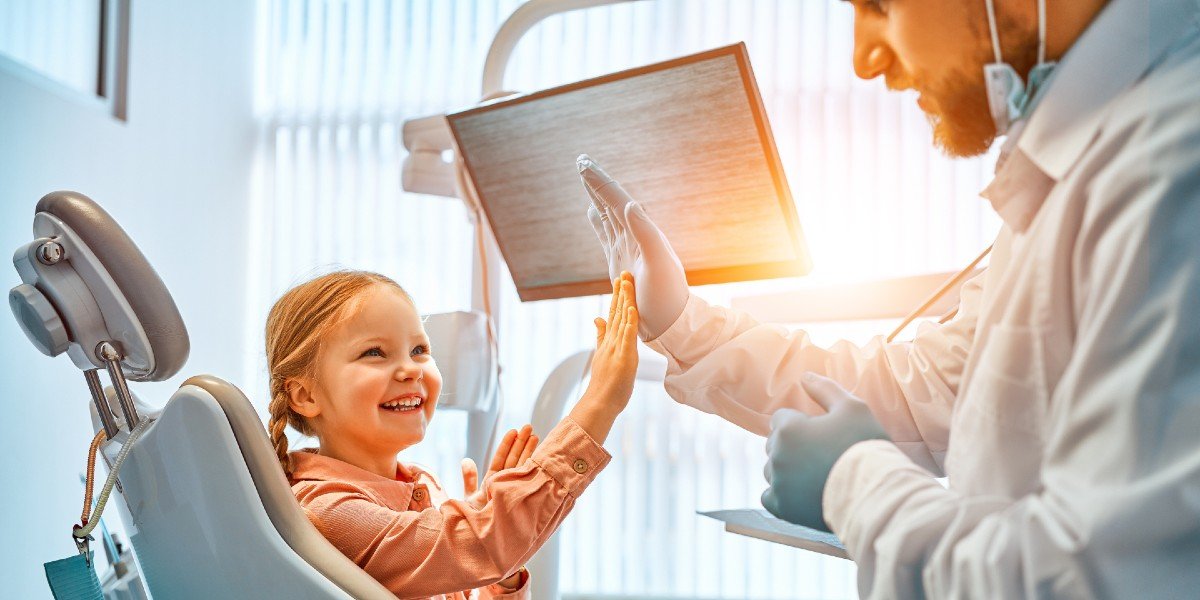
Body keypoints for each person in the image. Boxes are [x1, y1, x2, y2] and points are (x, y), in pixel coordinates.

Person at [580, 0, 1200, 596]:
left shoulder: (1171, 165)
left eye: (880, 4)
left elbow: (1099, 579)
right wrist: (684, 323)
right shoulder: (1085, 161)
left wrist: (857, 485)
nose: (863, 59)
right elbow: (918, 391)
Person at [264, 270, 640, 598]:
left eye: (419, 349)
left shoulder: (423, 486)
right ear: (305, 394)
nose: (410, 369)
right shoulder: (325, 512)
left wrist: (501, 572)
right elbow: (477, 544)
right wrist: (600, 401)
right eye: (375, 353)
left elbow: (478, 548)